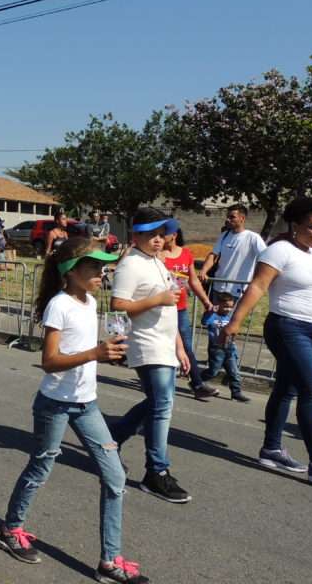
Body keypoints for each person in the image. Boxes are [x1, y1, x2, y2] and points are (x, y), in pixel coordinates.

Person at [0, 238, 148, 583]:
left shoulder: (90, 301)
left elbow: (81, 349)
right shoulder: (59, 305)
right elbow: (49, 361)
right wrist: (95, 353)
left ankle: (109, 561)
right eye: (93, 266)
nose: (101, 272)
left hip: (86, 403)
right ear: (70, 270)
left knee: (115, 477)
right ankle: (11, 529)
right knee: (41, 467)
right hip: (55, 404)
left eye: (102, 267)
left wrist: (105, 355)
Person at [222, 197, 312, 490]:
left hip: (311, 330)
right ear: (295, 225)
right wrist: (234, 322)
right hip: (287, 327)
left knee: (287, 388)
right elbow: (258, 286)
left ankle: (271, 449)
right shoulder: (279, 250)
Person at [109, 208, 192, 504]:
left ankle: (111, 438)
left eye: (161, 234)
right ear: (136, 235)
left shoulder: (156, 261)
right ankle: (156, 471)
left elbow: (170, 307)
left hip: (165, 343)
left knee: (158, 402)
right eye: (151, 234)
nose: (158, 240)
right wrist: (157, 299)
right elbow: (118, 304)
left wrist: (179, 346)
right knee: (162, 405)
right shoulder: (131, 264)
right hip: (146, 343)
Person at [162, 228, 219, 401]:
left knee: (186, 346)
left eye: (163, 233)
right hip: (161, 308)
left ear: (174, 235)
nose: (159, 236)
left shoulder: (186, 254)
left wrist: (206, 301)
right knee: (163, 345)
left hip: (180, 309)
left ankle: (197, 385)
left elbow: (193, 280)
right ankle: (158, 382)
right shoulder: (157, 254)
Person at [198, 204, 266, 299]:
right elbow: (213, 255)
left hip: (238, 291)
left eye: (232, 217)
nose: (228, 219)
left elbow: (265, 258)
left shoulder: (253, 238)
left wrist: (259, 279)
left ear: (242, 218)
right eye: (227, 217)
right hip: (218, 288)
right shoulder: (224, 235)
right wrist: (204, 270)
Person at [199, 292, 248, 402]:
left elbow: (234, 330)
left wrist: (234, 341)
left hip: (229, 348)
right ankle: (197, 381)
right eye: (225, 306)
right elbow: (204, 322)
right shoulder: (212, 315)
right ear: (218, 304)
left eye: (230, 307)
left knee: (234, 372)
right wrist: (210, 312)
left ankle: (236, 392)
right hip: (216, 348)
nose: (228, 309)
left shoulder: (230, 317)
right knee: (213, 371)